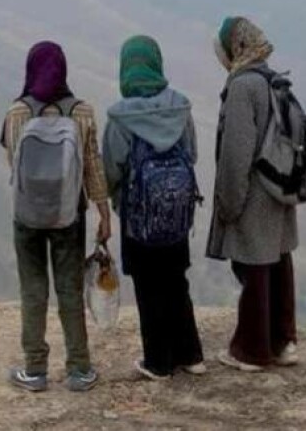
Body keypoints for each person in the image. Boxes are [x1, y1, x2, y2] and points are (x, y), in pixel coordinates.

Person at [1, 41, 112, 393]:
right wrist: (104, 213)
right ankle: (79, 369)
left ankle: (35, 370)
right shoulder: (82, 112)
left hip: (27, 217)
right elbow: (92, 166)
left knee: (33, 291)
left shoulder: (17, 112)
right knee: (69, 290)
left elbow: (13, 163)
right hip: (69, 215)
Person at [103, 35, 206, 381]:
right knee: (176, 279)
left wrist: (120, 200)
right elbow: (191, 154)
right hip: (176, 214)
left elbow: (111, 169)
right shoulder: (180, 109)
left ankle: (159, 362)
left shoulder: (120, 119)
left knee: (148, 286)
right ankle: (191, 355)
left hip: (138, 216)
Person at [207, 17, 300, 372]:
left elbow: (236, 153)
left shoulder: (242, 87)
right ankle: (284, 342)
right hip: (280, 188)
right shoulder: (273, 79)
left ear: (234, 49)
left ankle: (252, 350)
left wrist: (229, 202)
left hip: (254, 194)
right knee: (279, 261)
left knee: (255, 266)